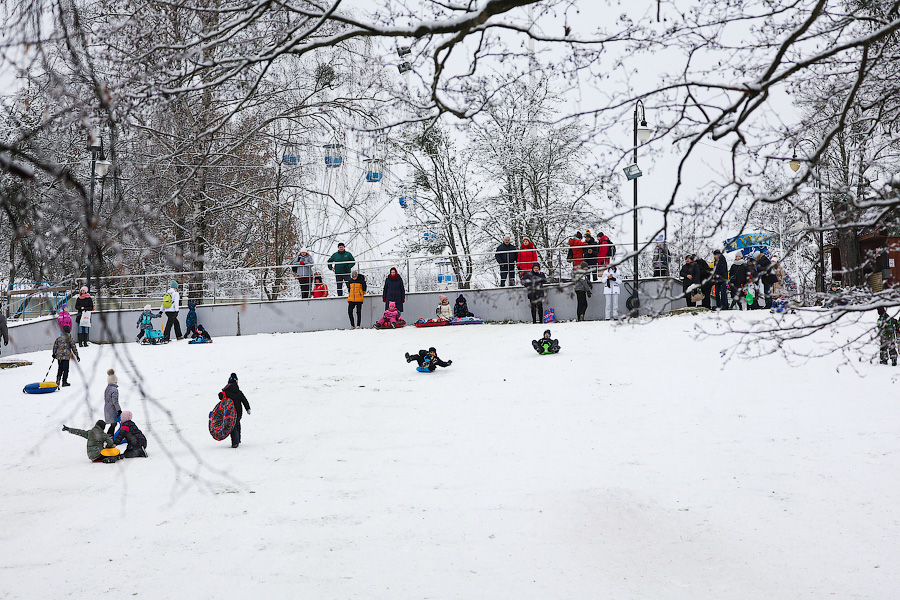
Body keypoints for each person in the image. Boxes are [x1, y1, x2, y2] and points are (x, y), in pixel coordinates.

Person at [222, 373, 251, 448]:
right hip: (239, 412)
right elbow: (244, 400)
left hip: (230, 413)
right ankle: (238, 439)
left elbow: (221, 397)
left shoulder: (226, 392)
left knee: (232, 426)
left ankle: (235, 442)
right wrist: (248, 409)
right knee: (237, 423)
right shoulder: (239, 392)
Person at [104, 369, 122, 436]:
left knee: (113, 424)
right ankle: (109, 436)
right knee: (114, 423)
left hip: (107, 407)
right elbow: (115, 401)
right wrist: (119, 410)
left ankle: (109, 435)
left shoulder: (107, 388)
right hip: (112, 408)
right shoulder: (114, 390)